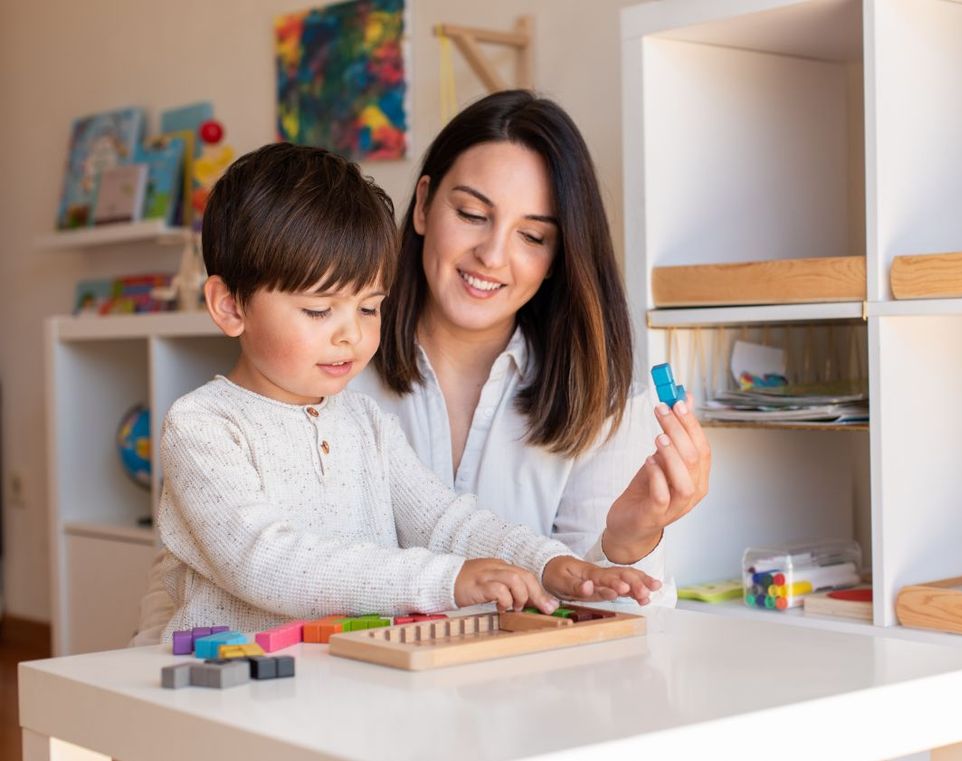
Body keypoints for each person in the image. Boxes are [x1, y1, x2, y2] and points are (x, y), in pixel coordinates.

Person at [133, 142, 659, 644]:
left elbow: (444, 520)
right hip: (229, 696)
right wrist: (445, 580)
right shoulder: (204, 425)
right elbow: (266, 562)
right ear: (229, 306)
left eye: (369, 308)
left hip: (347, 681)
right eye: (319, 310)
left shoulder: (364, 421)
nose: (351, 334)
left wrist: (545, 562)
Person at [352, 90, 711, 605]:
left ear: (557, 257)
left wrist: (629, 542)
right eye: (473, 213)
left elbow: (615, 646)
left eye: (533, 237)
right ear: (425, 204)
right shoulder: (334, 369)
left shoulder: (601, 403)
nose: (492, 255)